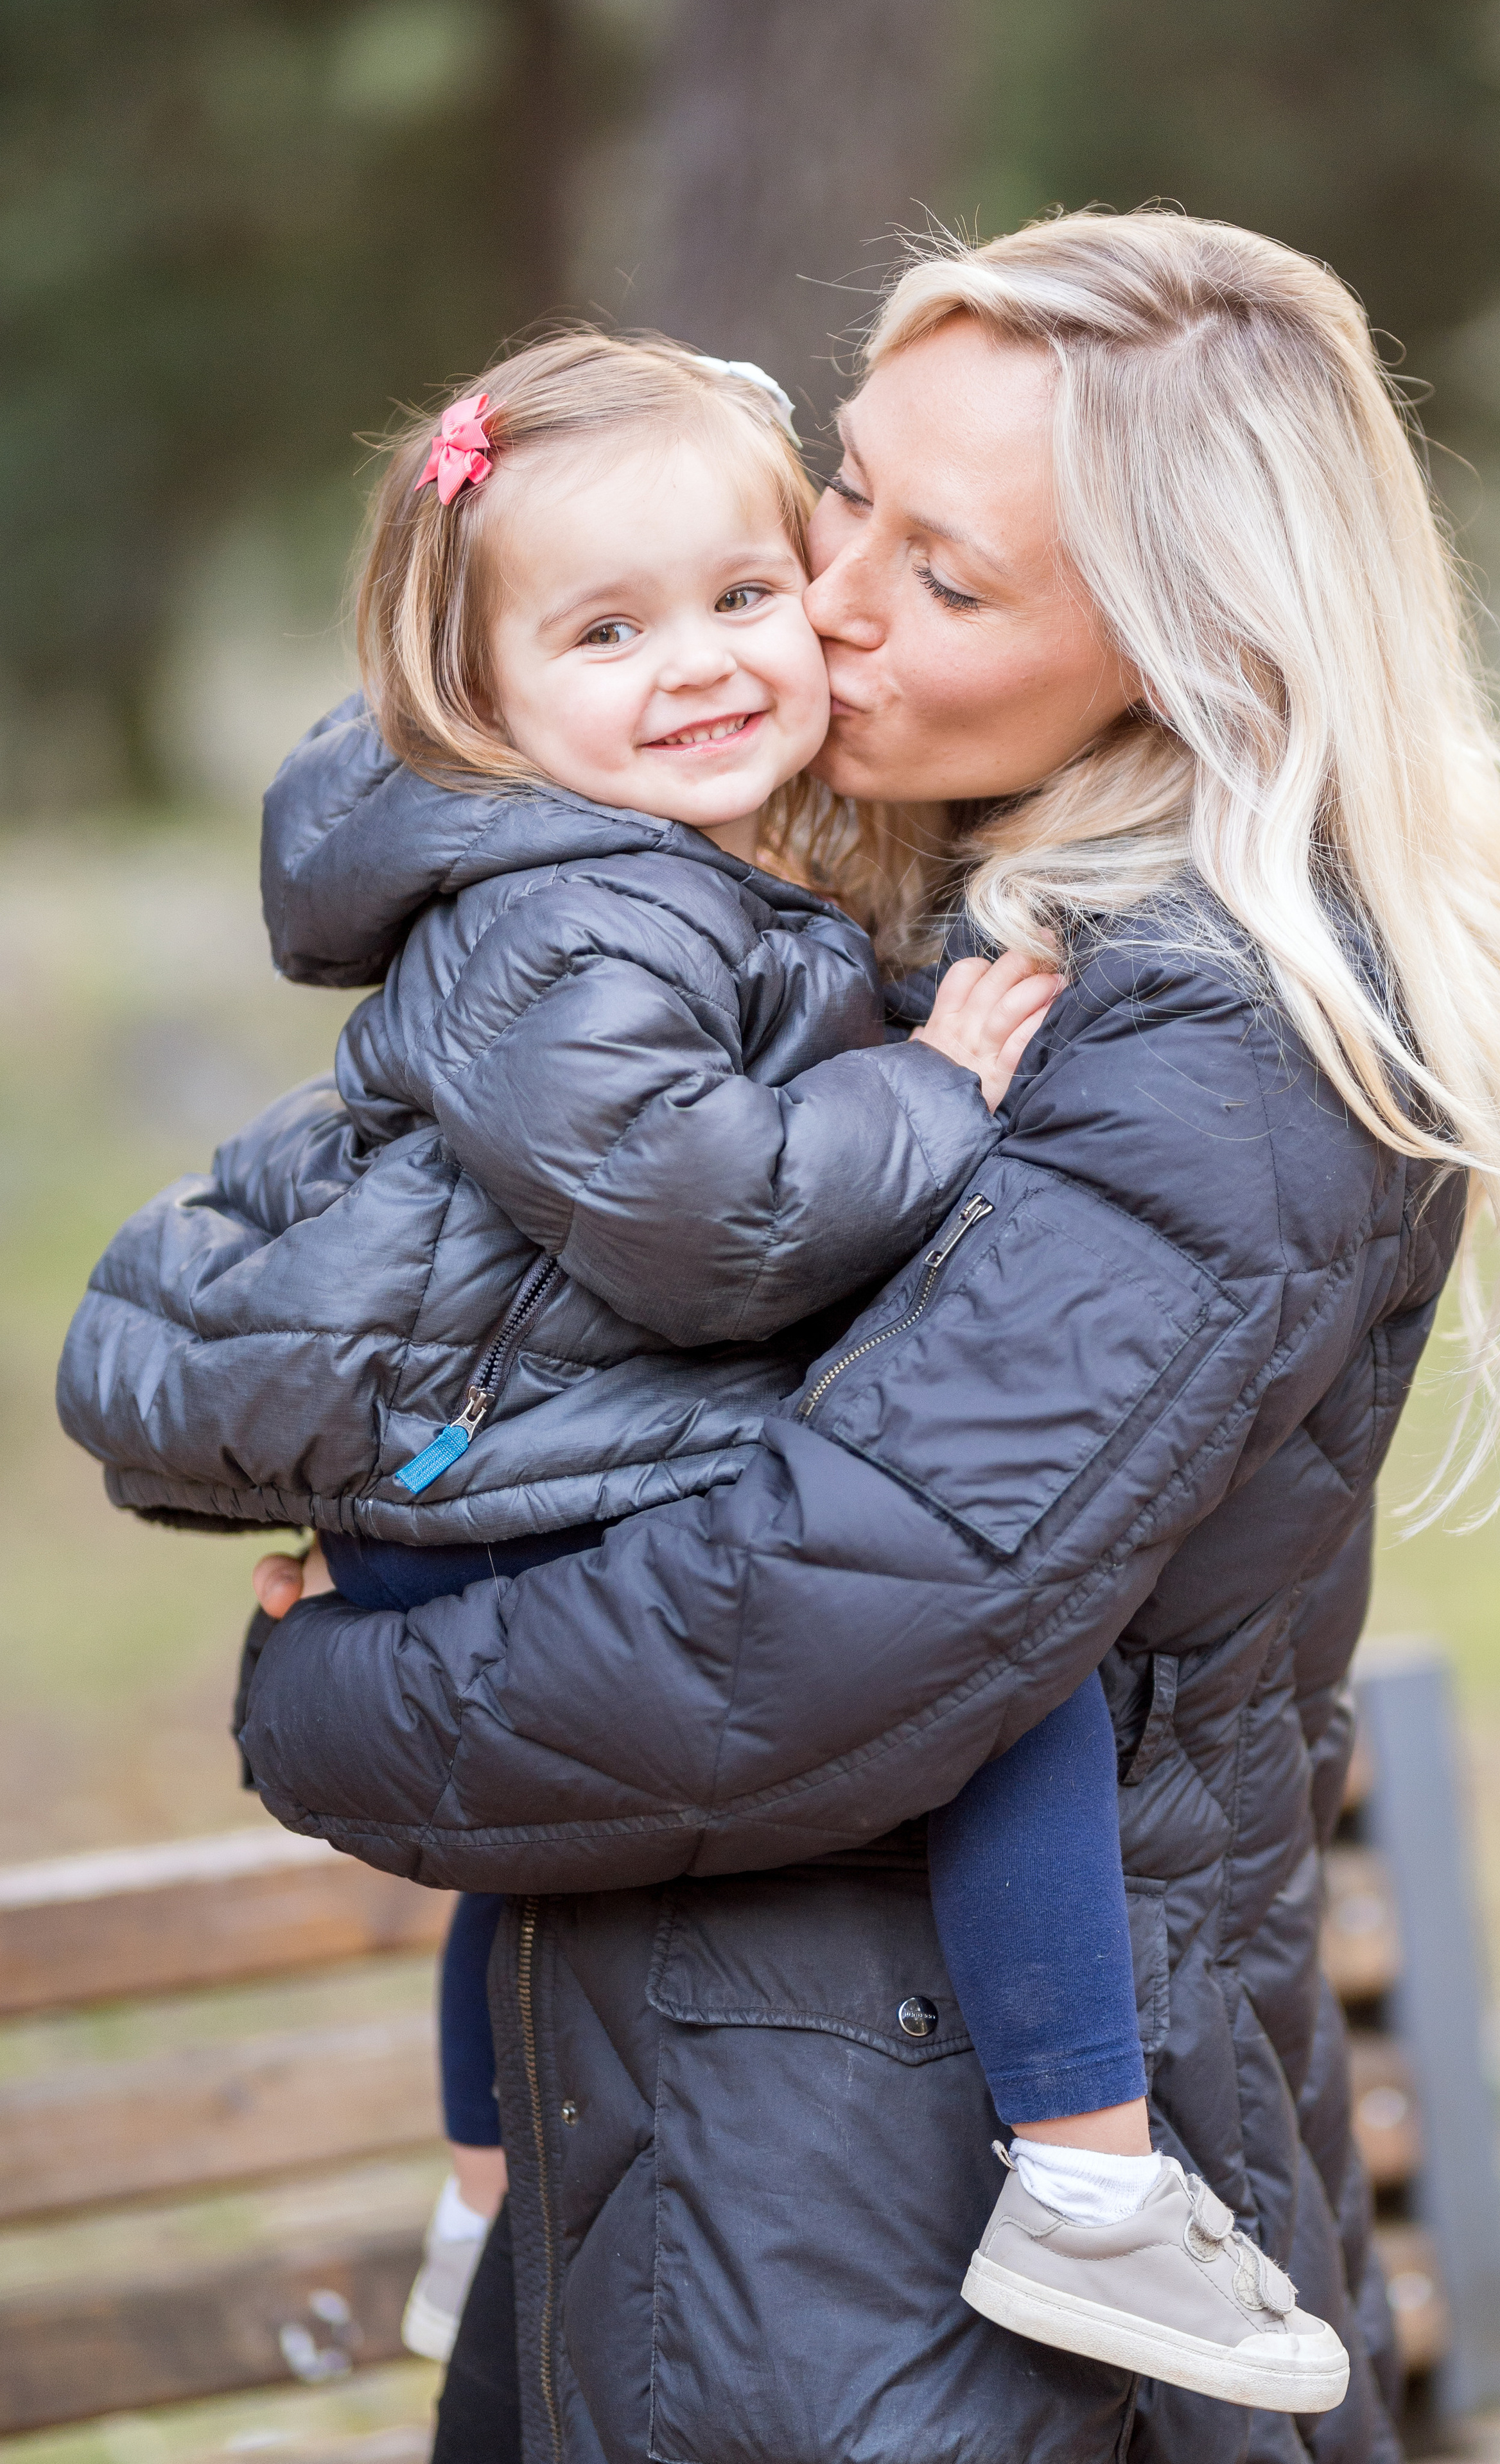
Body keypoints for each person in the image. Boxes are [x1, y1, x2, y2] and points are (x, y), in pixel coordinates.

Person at [234, 206, 1500, 2464]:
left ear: (1181, 662)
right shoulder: (857, 914)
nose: (828, 595)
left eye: (946, 576)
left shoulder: (1209, 1045)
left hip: (923, 2261)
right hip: (712, 2181)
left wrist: (322, 1684)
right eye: (848, 485)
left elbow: (809, 1649)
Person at [57, 325, 1300, 2401]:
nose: (709, 661)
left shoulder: (651, 863)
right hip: (528, 1454)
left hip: (518, 1443)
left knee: (556, 1846)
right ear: (484, 703)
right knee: (1012, 1684)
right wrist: (928, 1093)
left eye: (744, 594)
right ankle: (1090, 2187)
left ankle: (478, 2199)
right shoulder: (571, 918)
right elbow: (706, 1223)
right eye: (610, 629)